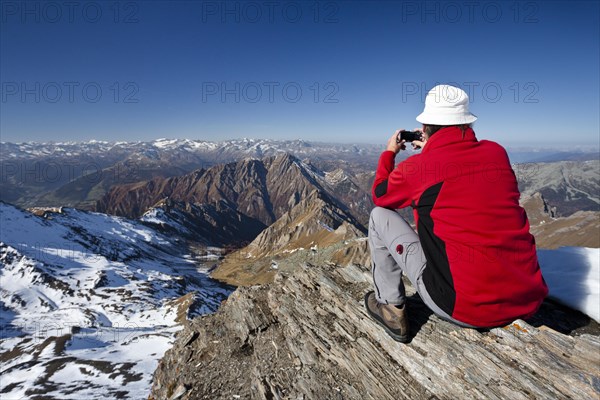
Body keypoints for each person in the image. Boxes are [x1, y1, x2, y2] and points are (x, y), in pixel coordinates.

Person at [364, 84, 548, 342]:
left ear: (426, 126)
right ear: (466, 123)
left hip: (464, 306)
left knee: (378, 217)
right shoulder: (497, 152)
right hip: (527, 299)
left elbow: (381, 196)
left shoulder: (420, 167)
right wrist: (432, 148)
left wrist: (389, 153)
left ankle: (390, 309)